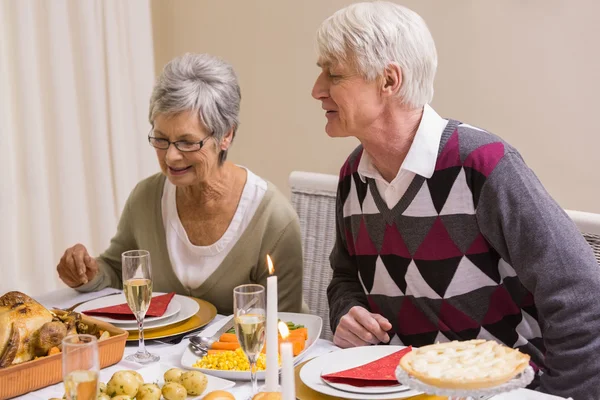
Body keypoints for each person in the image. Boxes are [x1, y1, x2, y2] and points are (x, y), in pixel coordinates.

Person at [312, 2, 600, 398]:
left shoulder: (482, 163)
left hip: (508, 389)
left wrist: (561, 394)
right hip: (403, 388)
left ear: (389, 80)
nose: (317, 89)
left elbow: (582, 296)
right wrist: (348, 312)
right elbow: (345, 279)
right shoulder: (353, 174)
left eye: (334, 74)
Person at [57, 53, 304, 314]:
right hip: (164, 354)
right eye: (161, 139)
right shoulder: (146, 198)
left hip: (245, 354)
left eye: (187, 142)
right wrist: (87, 273)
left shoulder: (272, 218)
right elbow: (117, 272)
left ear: (226, 135)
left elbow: (285, 325)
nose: (171, 156)